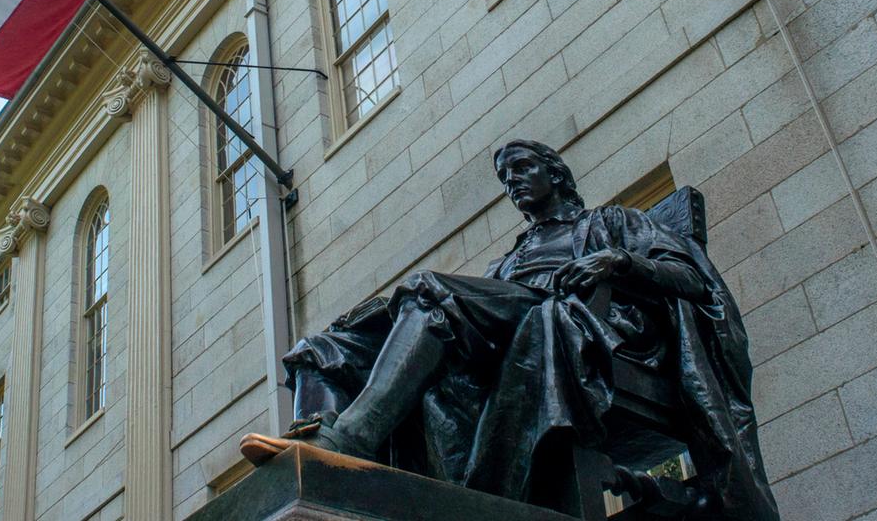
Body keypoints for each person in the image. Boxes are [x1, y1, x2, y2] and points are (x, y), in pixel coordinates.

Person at [240, 140, 778, 519]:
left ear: (556, 174)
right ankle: (312, 449)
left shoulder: (611, 223)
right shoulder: (509, 261)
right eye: (506, 178)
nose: (513, 182)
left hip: (594, 330)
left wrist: (614, 262)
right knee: (323, 346)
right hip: (512, 335)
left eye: (521, 169)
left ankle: (350, 441)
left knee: (431, 293)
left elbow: (690, 277)